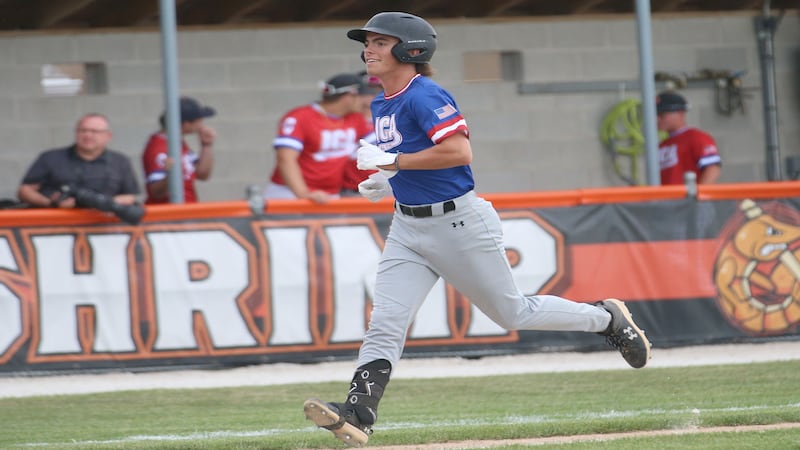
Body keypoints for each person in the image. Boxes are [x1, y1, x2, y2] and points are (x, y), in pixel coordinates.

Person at [302, 12, 652, 447]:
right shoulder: (383, 101)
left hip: (457, 223)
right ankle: (358, 413)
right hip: (408, 225)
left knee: (513, 313)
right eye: (367, 42)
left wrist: (394, 162)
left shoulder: (424, 94)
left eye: (379, 42)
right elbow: (419, 159)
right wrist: (389, 179)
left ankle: (605, 318)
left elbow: (458, 152)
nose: (368, 50)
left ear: (411, 49)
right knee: (386, 322)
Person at [264, 73, 375, 204]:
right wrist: (304, 193)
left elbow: (377, 148)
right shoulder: (300, 117)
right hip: (290, 193)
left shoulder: (356, 119)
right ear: (349, 96)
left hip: (330, 195)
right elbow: (285, 158)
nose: (368, 101)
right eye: (363, 96)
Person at [17, 113, 140, 208]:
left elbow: (129, 196)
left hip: (105, 226)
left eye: (94, 131)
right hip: (57, 225)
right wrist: (51, 203)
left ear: (108, 136)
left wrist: (102, 203)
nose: (88, 135)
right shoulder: (50, 158)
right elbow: (25, 191)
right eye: (83, 130)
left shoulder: (120, 161)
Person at [141, 96, 216, 204]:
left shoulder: (177, 142)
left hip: (187, 209)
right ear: (185, 124)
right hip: (168, 212)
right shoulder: (158, 148)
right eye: (198, 120)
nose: (201, 125)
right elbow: (156, 192)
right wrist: (171, 175)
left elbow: (202, 174)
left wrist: (206, 145)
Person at [656, 90, 721, 185]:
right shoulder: (662, 145)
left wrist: (698, 193)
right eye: (655, 115)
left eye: (662, 115)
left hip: (689, 194)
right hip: (667, 195)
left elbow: (712, 169)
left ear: (680, 113)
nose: (657, 119)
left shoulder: (696, 137)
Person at [341, 71, 383, 197]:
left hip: (389, 189)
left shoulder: (394, 118)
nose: (370, 97)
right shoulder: (341, 120)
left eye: (376, 92)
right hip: (352, 190)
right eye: (364, 93)